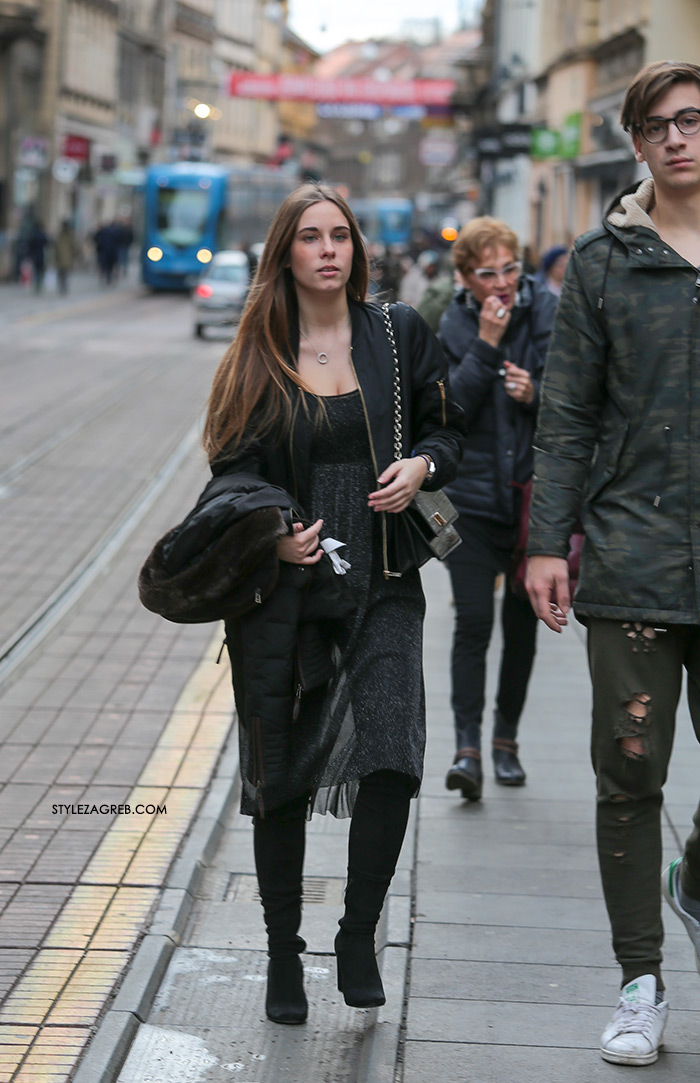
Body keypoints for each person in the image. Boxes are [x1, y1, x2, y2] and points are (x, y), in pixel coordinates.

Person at [201, 183, 464, 1025]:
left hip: (386, 577)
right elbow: (230, 474)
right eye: (310, 237)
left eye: (340, 236)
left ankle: (357, 930)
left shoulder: (396, 332)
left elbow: (445, 428)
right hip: (290, 591)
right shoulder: (257, 354)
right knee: (281, 774)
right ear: (285, 253)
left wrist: (422, 465)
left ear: (356, 249)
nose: (328, 250)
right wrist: (272, 534)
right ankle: (283, 952)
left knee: (392, 751)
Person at [526, 59, 700, 1066]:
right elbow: (565, 421)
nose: (679, 138)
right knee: (630, 774)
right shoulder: (599, 261)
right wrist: (547, 542)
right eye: (659, 126)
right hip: (633, 554)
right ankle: (640, 984)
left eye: (692, 121)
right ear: (636, 143)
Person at [438, 217, 557, 801]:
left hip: (534, 502)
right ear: (466, 278)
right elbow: (450, 409)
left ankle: (506, 740)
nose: (503, 283)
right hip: (469, 504)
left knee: (521, 625)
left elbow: (576, 392)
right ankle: (467, 747)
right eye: (488, 273)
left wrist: (535, 393)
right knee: (473, 625)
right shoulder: (455, 321)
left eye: (511, 269)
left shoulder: (548, 310)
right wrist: (486, 344)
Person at [54, 220, 76, 295]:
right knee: (64, 274)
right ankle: (64, 287)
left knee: (62, 274)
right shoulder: (70, 235)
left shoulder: (60, 235)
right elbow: (73, 247)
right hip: (66, 258)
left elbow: (56, 247)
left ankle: (63, 287)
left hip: (61, 258)